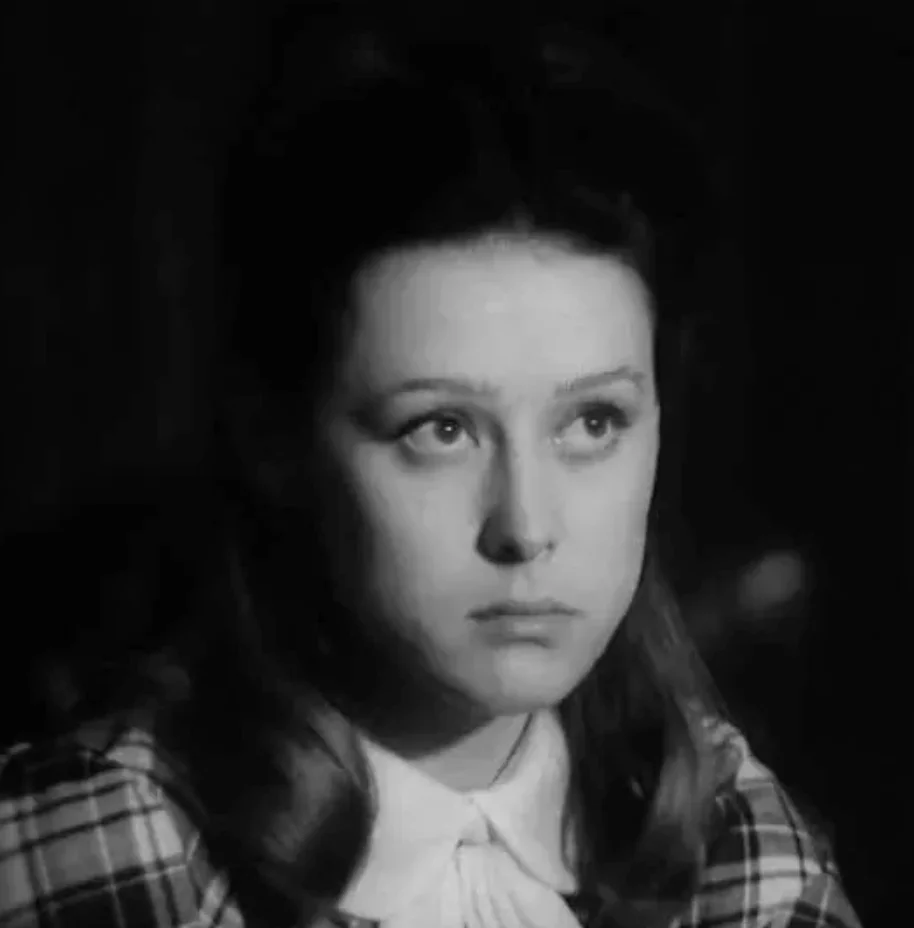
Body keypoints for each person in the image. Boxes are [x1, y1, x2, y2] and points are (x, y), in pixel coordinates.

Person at [0, 9, 862, 928]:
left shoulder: (737, 855)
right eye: (441, 429)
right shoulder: (101, 850)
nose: (526, 526)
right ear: (274, 438)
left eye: (593, 422)